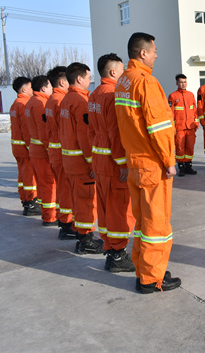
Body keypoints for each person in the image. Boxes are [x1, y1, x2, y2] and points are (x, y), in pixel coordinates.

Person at [115, 32, 180, 293]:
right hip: (152, 164)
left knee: (142, 224)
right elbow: (159, 127)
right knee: (156, 224)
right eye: (153, 51)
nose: (156, 55)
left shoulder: (123, 81)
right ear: (143, 53)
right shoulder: (146, 82)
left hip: (135, 163)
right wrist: (169, 160)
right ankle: (152, 278)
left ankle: (145, 269)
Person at [88, 53, 136, 273]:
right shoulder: (113, 94)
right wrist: (123, 163)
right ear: (114, 71)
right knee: (119, 210)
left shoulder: (94, 95)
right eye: (122, 68)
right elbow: (116, 133)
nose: (125, 72)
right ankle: (118, 254)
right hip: (113, 163)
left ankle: (111, 249)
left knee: (106, 209)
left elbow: (91, 131)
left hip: (100, 160)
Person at [60, 62, 104, 254]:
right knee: (86, 202)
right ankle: (86, 240)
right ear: (79, 79)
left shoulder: (66, 99)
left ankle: (81, 236)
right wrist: (92, 162)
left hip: (70, 161)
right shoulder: (80, 101)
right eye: (88, 77)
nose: (89, 80)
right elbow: (84, 136)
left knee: (78, 200)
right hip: (81, 163)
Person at [46, 66, 77, 239]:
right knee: (65, 190)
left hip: (55, 150)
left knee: (62, 189)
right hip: (62, 151)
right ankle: (66, 224)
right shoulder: (60, 100)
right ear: (63, 82)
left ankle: (64, 220)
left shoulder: (52, 99)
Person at [25, 75, 57, 225]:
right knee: (49, 184)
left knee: (42, 184)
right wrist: (50, 150)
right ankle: (50, 216)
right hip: (43, 152)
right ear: (44, 88)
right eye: (50, 86)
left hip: (35, 150)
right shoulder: (41, 103)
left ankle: (46, 214)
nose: (52, 89)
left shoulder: (31, 102)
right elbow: (44, 131)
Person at [10, 77, 40, 216]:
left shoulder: (15, 104)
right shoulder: (24, 104)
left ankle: (26, 200)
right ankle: (32, 202)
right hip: (24, 147)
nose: (33, 90)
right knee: (29, 176)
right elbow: (26, 129)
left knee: (22, 175)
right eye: (30, 87)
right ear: (23, 89)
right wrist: (31, 146)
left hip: (17, 146)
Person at [168, 74, 199, 176]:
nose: (183, 84)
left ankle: (188, 166)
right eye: (181, 82)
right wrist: (173, 128)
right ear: (177, 83)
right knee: (180, 148)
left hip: (190, 127)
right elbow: (170, 113)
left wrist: (196, 123)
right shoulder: (173, 96)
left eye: (185, 82)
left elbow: (194, 110)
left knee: (190, 147)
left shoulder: (190, 95)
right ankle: (181, 167)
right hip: (179, 128)